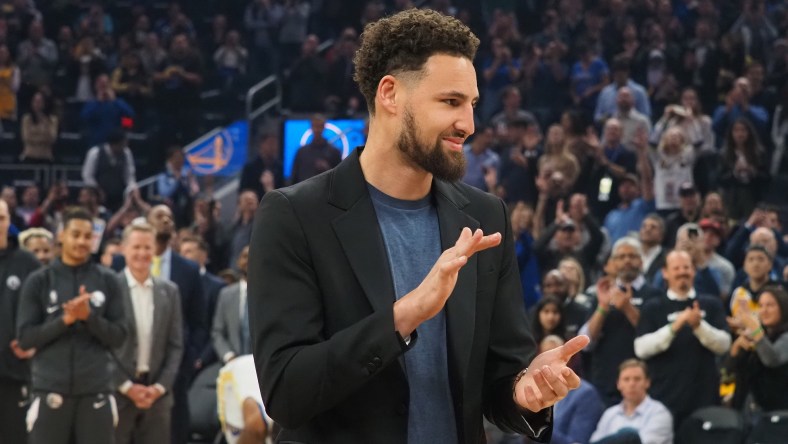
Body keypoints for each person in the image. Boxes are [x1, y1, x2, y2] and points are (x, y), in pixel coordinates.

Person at [248, 9, 588, 443]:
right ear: (390, 94)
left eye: (472, 104)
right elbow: (286, 392)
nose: (468, 124)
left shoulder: (486, 217)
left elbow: (501, 380)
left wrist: (525, 393)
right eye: (450, 102)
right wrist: (404, 317)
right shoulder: (293, 215)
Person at [17, 207, 128, 444]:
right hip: (50, 387)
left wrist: (89, 318)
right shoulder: (39, 280)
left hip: (96, 389)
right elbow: (26, 337)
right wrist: (65, 321)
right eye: (75, 234)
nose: (82, 241)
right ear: (61, 235)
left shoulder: (108, 280)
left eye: (88, 236)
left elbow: (120, 336)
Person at [634, 250, 730, 426]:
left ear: (694, 270)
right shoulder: (653, 306)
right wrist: (675, 326)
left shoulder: (711, 303)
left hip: (704, 396)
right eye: (676, 268)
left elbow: (724, 344)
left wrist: (699, 326)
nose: (682, 272)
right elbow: (641, 349)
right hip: (663, 396)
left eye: (686, 267)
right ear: (665, 273)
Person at [114, 222, 184, 444]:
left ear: (155, 250)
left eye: (147, 247)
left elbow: (175, 346)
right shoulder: (110, 288)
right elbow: (101, 346)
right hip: (118, 394)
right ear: (124, 248)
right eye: (136, 247)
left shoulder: (170, 291)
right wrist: (126, 387)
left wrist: (160, 387)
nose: (142, 253)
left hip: (158, 397)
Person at [581, 238, 662, 406]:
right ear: (613, 262)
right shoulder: (602, 293)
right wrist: (603, 307)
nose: (627, 261)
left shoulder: (655, 295)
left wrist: (627, 307)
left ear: (641, 261)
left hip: (642, 381)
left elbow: (656, 335)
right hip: (605, 379)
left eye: (632, 256)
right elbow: (586, 342)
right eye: (621, 257)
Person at [0, 199, 40, 444]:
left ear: (9, 221)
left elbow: (45, 313)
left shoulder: (28, 264)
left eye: (2, 218)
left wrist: (35, 344)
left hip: (15, 374)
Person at [729, 285, 788, 413]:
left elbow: (772, 359)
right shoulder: (758, 335)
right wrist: (736, 347)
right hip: (748, 409)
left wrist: (755, 330)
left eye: (770, 305)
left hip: (779, 413)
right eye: (761, 306)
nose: (764, 310)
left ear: (783, 308)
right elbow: (730, 372)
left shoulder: (783, 336)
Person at [589, 359, 673, 444]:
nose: (631, 384)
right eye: (626, 379)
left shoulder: (659, 413)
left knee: (629, 436)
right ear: (618, 384)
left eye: (637, 379)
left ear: (647, 382)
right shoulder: (609, 414)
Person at [179, 236, 225, 369]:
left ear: (203, 255)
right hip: (180, 358)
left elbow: (218, 327)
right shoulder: (175, 284)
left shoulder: (217, 286)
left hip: (206, 360)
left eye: (188, 251)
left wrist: (202, 358)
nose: (183, 256)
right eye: (181, 252)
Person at [81, 128, 137, 212]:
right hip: (98, 196)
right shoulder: (95, 153)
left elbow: (129, 175)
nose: (124, 147)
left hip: (118, 196)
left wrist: (132, 189)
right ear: (114, 144)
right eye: (122, 145)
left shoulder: (126, 153)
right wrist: (97, 190)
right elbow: (87, 175)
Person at [290, 114, 342, 184]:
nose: (317, 130)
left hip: (325, 192)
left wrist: (327, 169)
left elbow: (339, 179)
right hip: (304, 192)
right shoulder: (301, 152)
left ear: (324, 127)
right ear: (311, 127)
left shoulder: (334, 152)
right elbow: (294, 177)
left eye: (320, 126)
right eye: (315, 126)